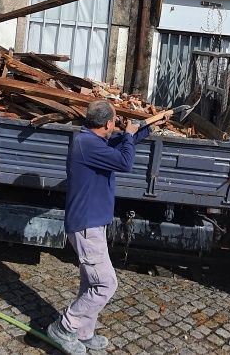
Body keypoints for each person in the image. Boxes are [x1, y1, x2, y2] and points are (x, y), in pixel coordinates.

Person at [47, 100, 171, 354]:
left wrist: (148, 127)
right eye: (115, 121)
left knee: (90, 283)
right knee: (105, 284)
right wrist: (128, 134)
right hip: (86, 226)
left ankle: (84, 333)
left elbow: (121, 146)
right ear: (107, 124)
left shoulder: (92, 141)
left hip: (93, 223)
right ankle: (64, 327)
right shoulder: (87, 145)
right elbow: (125, 162)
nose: (117, 125)